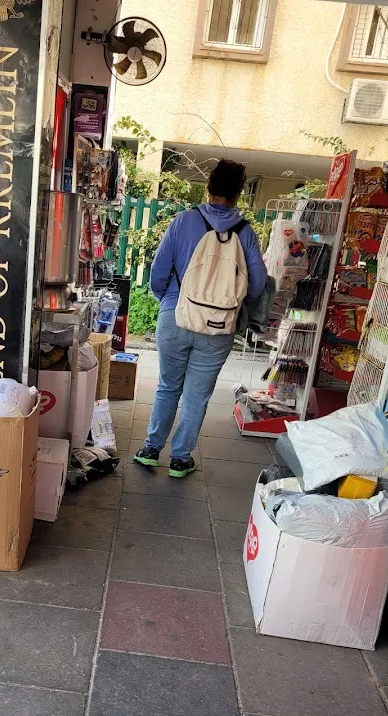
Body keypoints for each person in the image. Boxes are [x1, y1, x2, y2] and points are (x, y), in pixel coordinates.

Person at [134, 159, 267, 477]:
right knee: (197, 395)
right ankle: (180, 458)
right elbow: (258, 283)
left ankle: (151, 449)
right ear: (238, 193)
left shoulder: (183, 221)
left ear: (208, 186)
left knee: (168, 386)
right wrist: (232, 304)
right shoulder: (245, 233)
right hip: (218, 326)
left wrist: (169, 302)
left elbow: (158, 272)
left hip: (176, 316)